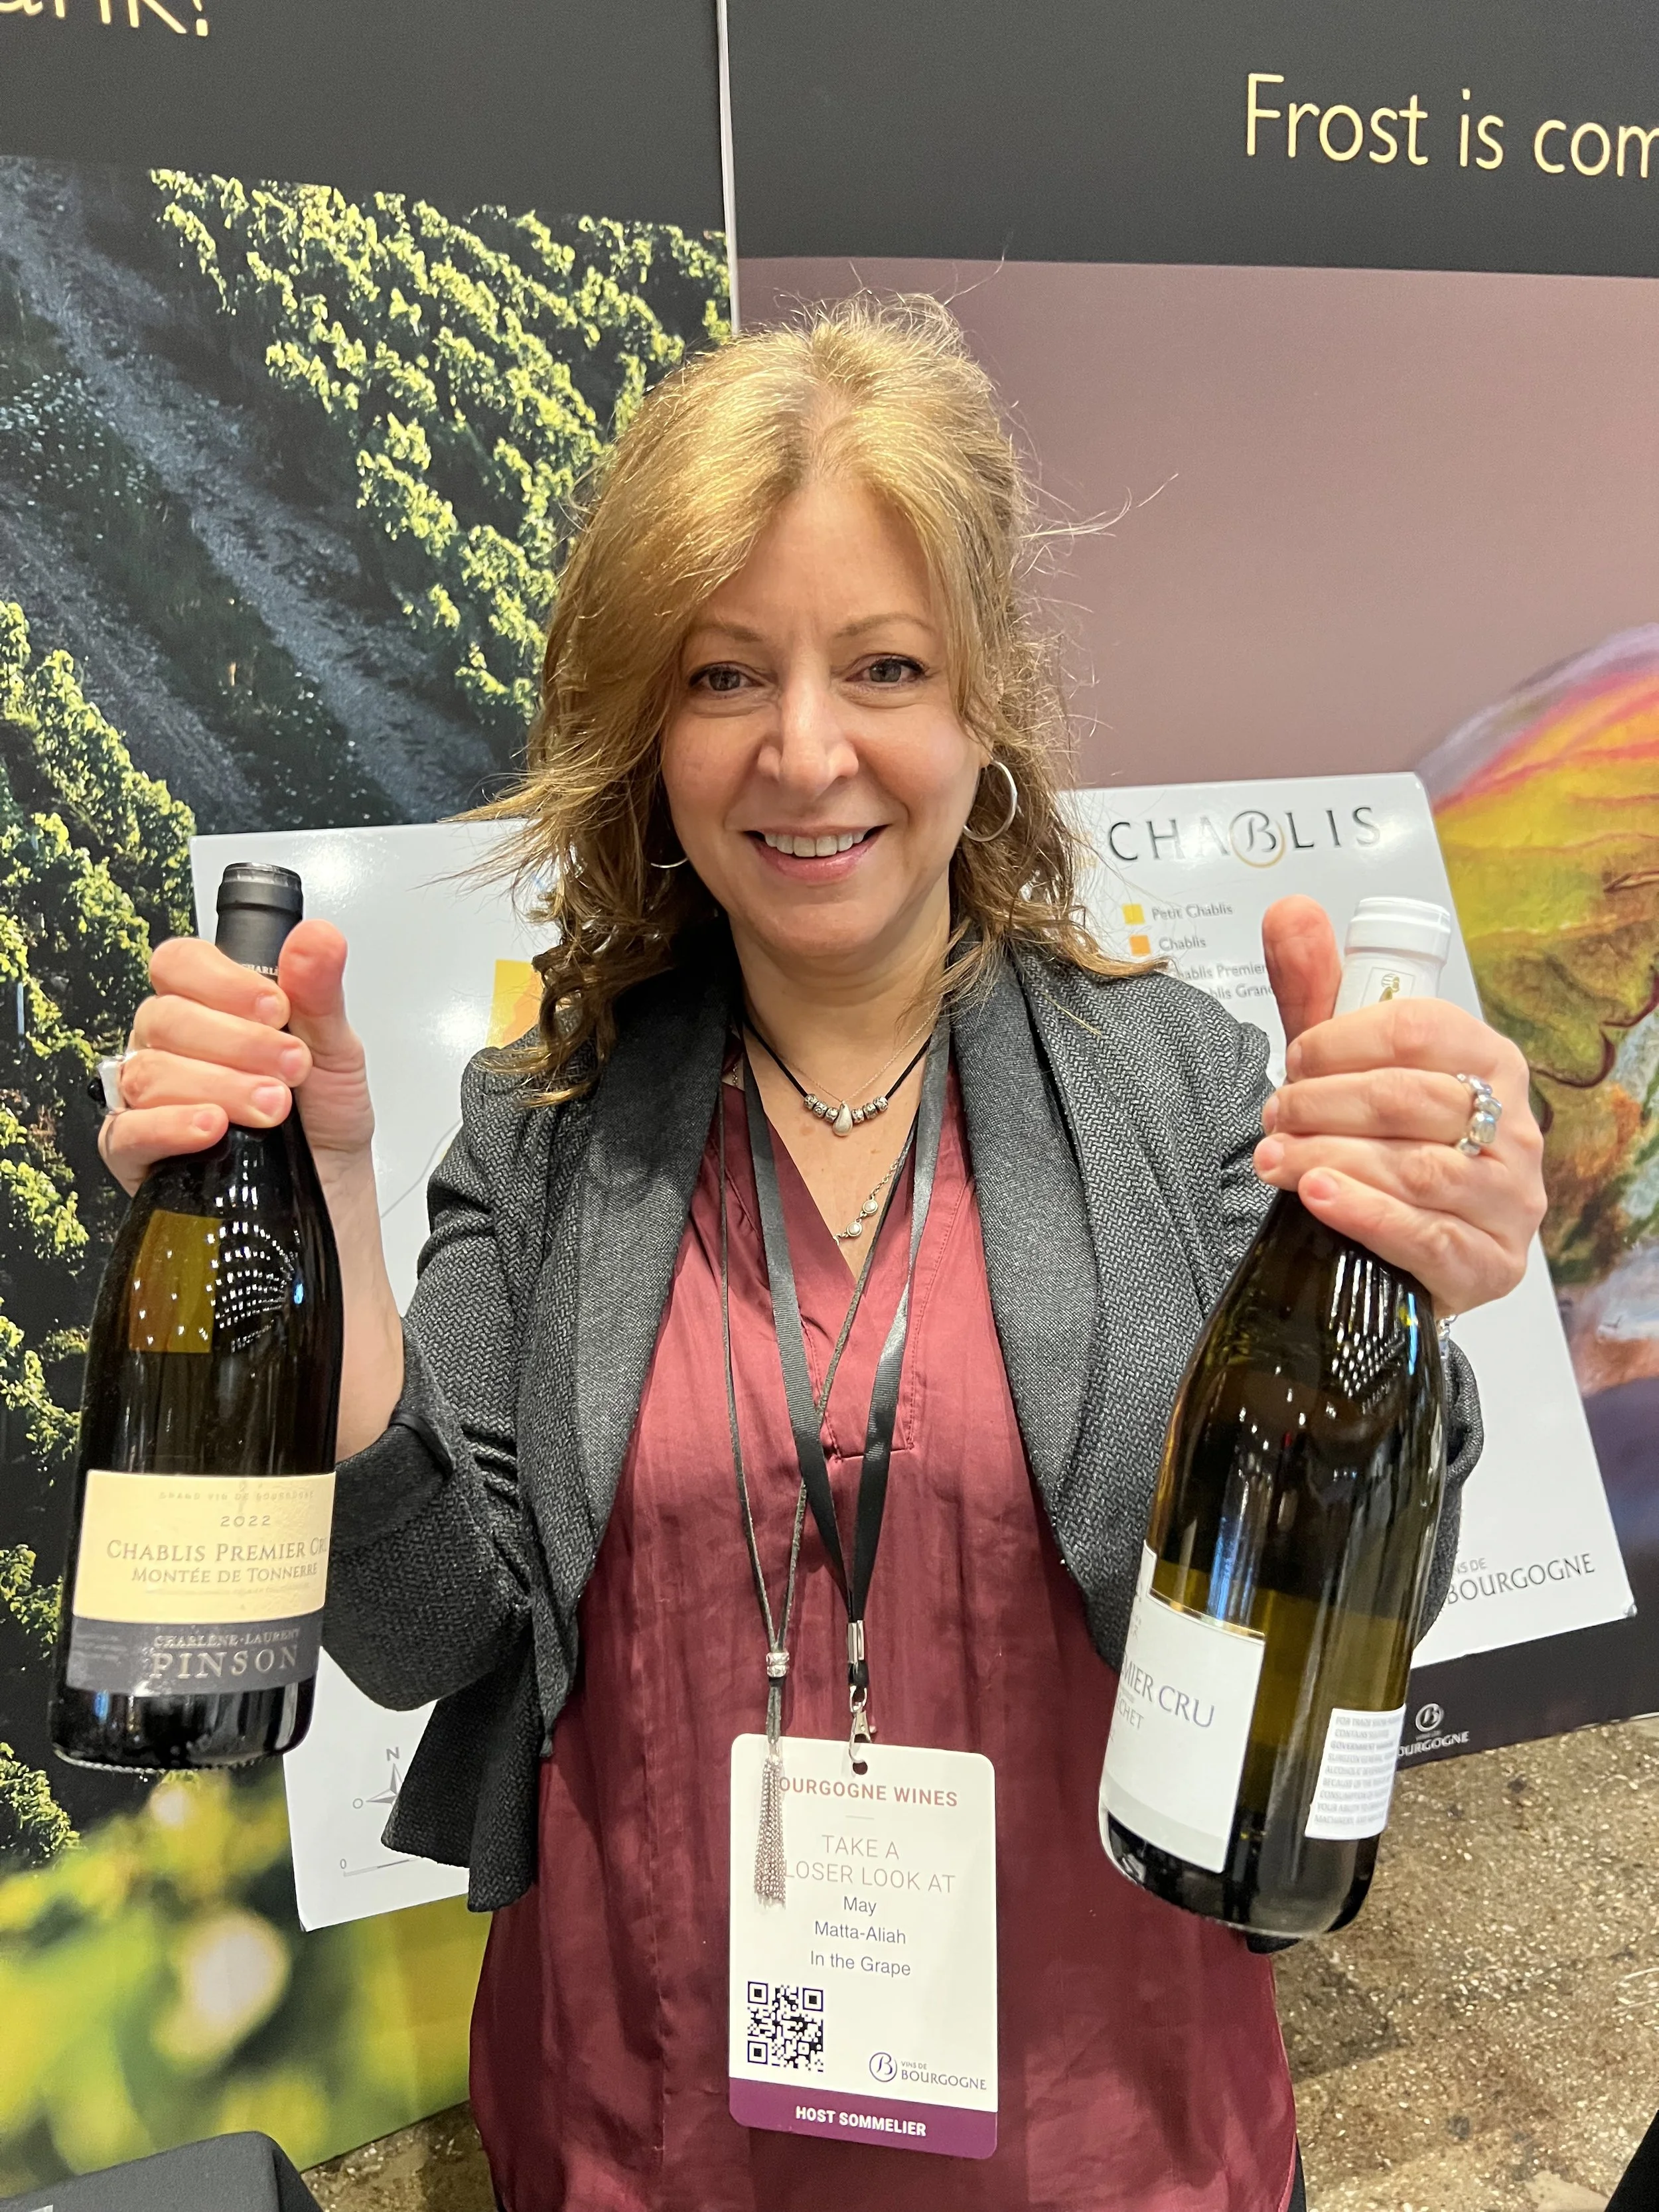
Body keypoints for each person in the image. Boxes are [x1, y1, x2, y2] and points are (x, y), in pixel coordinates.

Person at [101, 298, 1546, 2212]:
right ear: (646, 726)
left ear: (979, 707)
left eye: (880, 663)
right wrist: (329, 1192)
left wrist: (1414, 1307)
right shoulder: (548, 1127)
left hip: (1099, 2132)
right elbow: (424, 1629)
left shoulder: (1178, 1086)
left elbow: (1347, 1603)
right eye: (720, 676)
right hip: (649, 2126)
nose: (803, 750)